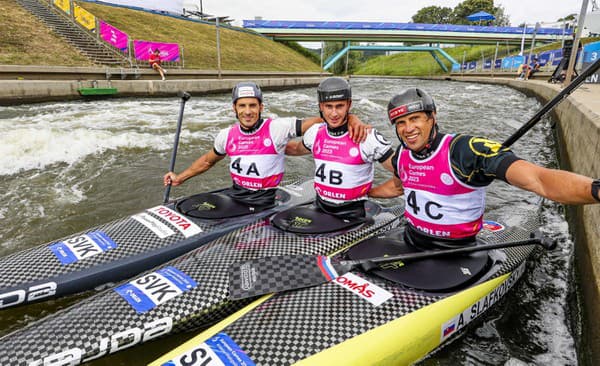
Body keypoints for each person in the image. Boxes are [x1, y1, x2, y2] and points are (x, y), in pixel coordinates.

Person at [369, 88, 600, 249]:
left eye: (415, 118)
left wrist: (595, 189)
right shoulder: (402, 154)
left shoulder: (465, 150)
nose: (408, 128)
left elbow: (538, 179)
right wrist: (365, 193)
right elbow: (399, 186)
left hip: (456, 248)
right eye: (401, 123)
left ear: (432, 117)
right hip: (411, 238)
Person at [163, 81, 368, 208]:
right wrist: (179, 178)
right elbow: (207, 162)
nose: (248, 111)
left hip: (265, 201)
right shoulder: (226, 135)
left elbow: (322, 119)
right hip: (236, 195)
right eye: (242, 106)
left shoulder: (277, 128)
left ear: (261, 107)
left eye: (253, 105)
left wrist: (352, 119)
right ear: (234, 108)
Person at [285, 77, 395, 220]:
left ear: (349, 104)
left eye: (339, 106)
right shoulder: (314, 132)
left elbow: (405, 172)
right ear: (321, 106)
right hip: (320, 207)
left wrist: (371, 192)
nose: (334, 113)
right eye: (329, 106)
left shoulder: (367, 136)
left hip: (352, 214)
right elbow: (295, 149)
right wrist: (261, 142)